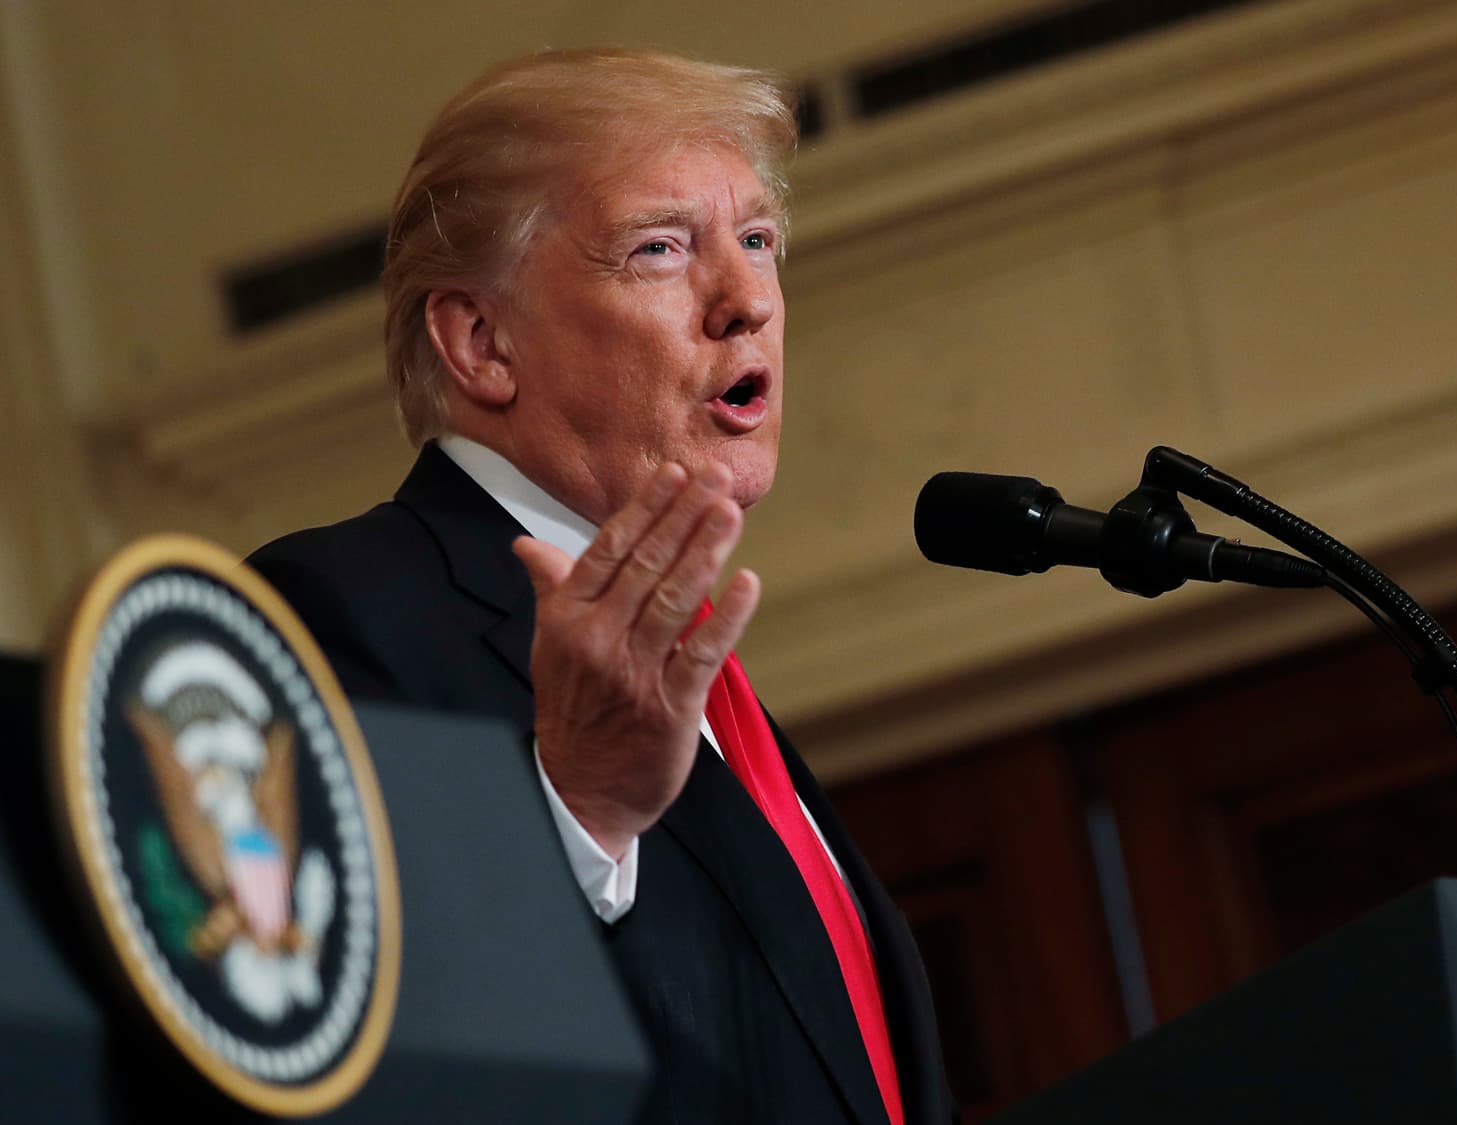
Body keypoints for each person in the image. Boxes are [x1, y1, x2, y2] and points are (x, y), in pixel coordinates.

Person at [249, 48, 953, 1125]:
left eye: (756, 240)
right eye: (660, 248)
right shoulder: (335, 613)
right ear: (481, 343)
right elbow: (341, 1055)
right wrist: (576, 813)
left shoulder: (693, 675)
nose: (744, 301)